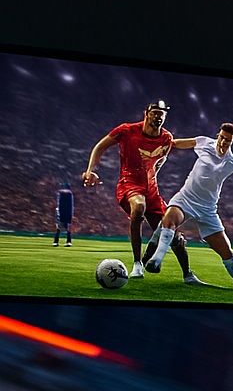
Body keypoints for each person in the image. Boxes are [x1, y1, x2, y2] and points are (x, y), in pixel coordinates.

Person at [142, 122, 233, 289]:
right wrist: (154, 145)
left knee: (226, 251)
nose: (223, 142)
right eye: (222, 137)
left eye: (228, 140)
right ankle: (156, 260)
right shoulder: (204, 143)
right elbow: (175, 143)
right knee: (170, 218)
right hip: (185, 199)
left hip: (208, 209)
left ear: (232, 141)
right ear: (218, 135)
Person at [80, 100, 198, 282]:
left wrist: (152, 176)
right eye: (155, 112)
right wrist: (90, 170)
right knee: (139, 207)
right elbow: (100, 146)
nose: (159, 116)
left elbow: (159, 162)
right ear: (146, 113)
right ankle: (137, 264)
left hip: (152, 189)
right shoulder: (126, 130)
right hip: (130, 183)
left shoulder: (166, 138)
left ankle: (188, 274)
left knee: (172, 233)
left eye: (162, 114)